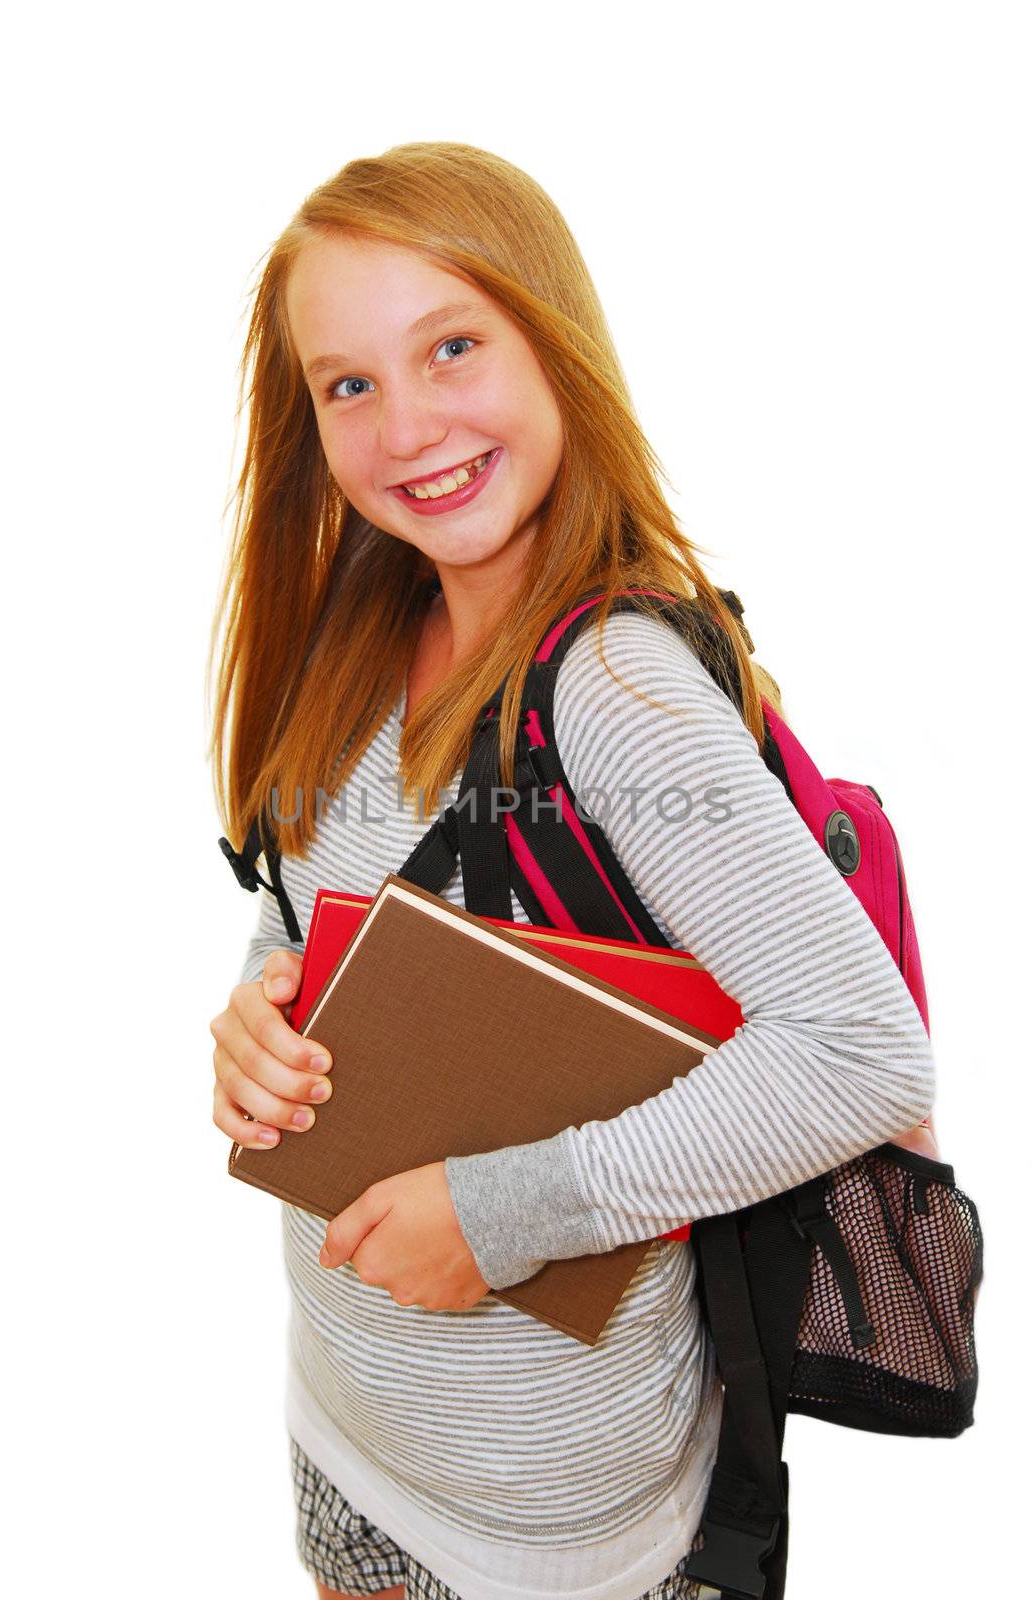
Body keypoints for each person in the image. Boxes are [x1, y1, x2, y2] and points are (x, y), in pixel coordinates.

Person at [207, 142, 936, 1600]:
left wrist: (496, 1219)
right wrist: (258, 1014)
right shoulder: (369, 627)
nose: (405, 423)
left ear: (554, 339)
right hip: (354, 1431)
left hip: (554, 1529)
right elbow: (318, 910)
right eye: (347, 384)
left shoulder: (610, 687)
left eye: (453, 347)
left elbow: (862, 1054)